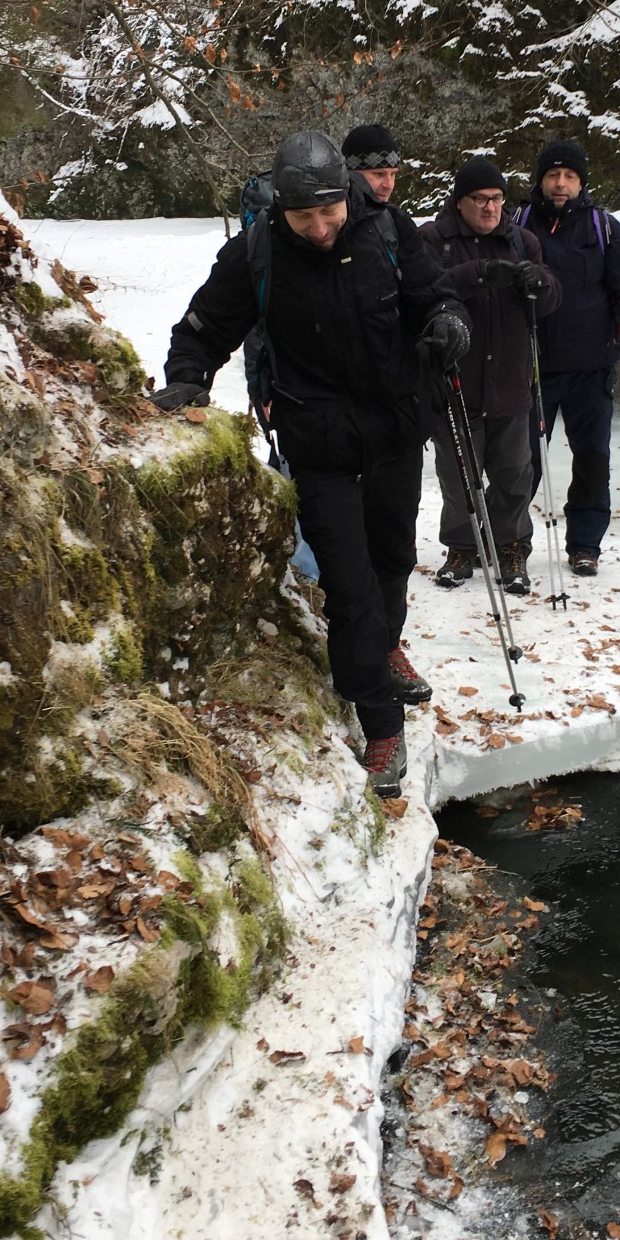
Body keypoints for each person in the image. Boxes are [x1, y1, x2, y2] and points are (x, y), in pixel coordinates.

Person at [157, 131, 471, 796]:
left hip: (394, 430)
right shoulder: (256, 253)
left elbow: (435, 295)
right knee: (350, 587)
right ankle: (381, 722)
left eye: (329, 213)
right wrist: (187, 378)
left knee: (391, 560)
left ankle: (385, 646)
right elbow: (203, 329)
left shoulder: (387, 230)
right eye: (305, 218)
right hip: (319, 442)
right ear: (283, 209)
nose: (321, 228)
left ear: (346, 196)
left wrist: (449, 322)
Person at [419, 157, 560, 594]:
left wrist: (537, 281)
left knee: (514, 474)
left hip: (511, 384)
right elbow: (423, 290)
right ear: (460, 201)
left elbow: (552, 299)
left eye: (497, 198)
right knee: (458, 475)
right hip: (456, 386)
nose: (490, 207)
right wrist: (480, 274)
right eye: (480, 199)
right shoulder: (434, 239)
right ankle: (462, 547)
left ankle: (511, 547)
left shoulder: (523, 241)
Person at [517, 139, 620, 578]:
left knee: (591, 460)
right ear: (540, 180)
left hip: (591, 368)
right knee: (521, 463)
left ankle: (585, 545)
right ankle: (511, 540)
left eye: (569, 176)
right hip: (531, 367)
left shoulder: (604, 227)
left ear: (581, 182)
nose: (560, 183)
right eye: (553, 175)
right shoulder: (518, 223)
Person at [341, 122, 401, 203]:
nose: (389, 185)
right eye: (379, 174)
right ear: (350, 173)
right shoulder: (328, 209)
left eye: (393, 174)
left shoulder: (391, 211)